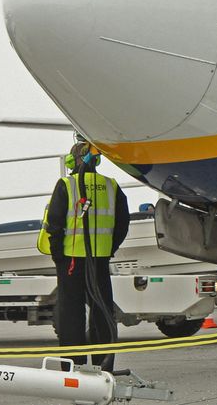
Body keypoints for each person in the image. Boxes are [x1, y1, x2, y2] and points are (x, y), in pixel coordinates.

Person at [44, 142, 130, 367]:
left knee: (71, 316)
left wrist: (58, 256)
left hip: (71, 261)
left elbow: (53, 224)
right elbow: (122, 224)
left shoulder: (66, 184)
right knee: (102, 313)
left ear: (71, 161)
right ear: (97, 160)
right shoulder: (111, 185)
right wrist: (109, 249)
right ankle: (104, 367)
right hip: (99, 260)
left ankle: (73, 369)